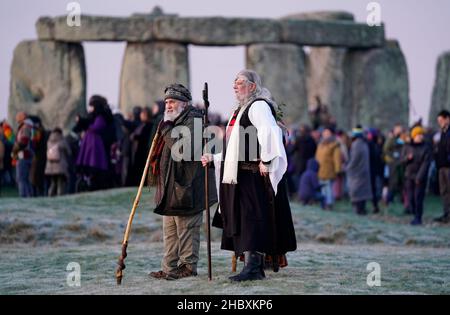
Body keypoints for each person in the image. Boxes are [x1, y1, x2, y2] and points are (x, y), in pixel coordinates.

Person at [203, 70, 297, 282]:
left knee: (252, 220)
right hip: (240, 175)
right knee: (245, 221)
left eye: (240, 83)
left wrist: (267, 160)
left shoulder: (259, 106)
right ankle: (251, 266)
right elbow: (235, 147)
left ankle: (254, 268)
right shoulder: (240, 110)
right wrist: (214, 158)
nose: (235, 87)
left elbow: (269, 132)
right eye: (234, 83)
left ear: (253, 86)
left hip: (253, 175)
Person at [149, 84, 217, 280]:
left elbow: (183, 151)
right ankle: (169, 267)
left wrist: (167, 129)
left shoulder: (195, 120)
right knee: (170, 231)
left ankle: (188, 267)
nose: (168, 105)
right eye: (167, 102)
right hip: (171, 186)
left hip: (188, 185)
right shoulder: (173, 120)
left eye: (173, 101)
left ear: (185, 103)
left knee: (187, 229)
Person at [75, 95, 112, 191]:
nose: (90, 108)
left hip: (94, 145)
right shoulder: (94, 117)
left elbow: (97, 127)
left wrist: (86, 126)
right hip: (90, 144)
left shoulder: (100, 117)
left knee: (93, 165)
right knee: (89, 166)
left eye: (91, 106)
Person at [401, 126, 432, 225]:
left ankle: (418, 218)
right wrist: (407, 158)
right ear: (413, 136)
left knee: (418, 197)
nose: (420, 136)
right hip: (409, 176)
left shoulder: (426, 147)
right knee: (410, 198)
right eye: (418, 135)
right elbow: (401, 161)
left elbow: (426, 163)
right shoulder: (407, 147)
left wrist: (419, 177)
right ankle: (414, 212)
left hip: (420, 177)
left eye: (421, 134)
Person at [346, 127, 373, 215]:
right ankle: (362, 209)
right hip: (363, 172)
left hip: (357, 173)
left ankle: (359, 210)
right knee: (362, 193)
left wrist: (348, 167)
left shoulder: (356, 145)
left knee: (356, 192)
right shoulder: (364, 144)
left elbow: (354, 159)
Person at [315, 126, 342, 210]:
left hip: (329, 170)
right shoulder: (320, 144)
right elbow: (317, 157)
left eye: (327, 133)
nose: (326, 135)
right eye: (324, 133)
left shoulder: (335, 145)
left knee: (328, 188)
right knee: (323, 188)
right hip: (320, 170)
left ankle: (329, 204)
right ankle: (324, 203)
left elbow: (337, 159)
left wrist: (338, 170)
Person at [12, 112, 34, 197]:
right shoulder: (30, 126)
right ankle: (29, 196)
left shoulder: (25, 127)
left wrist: (15, 148)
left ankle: (23, 196)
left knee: (21, 178)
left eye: (18, 116)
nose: (16, 117)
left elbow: (24, 141)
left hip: (23, 155)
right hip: (28, 155)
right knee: (26, 179)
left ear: (23, 117)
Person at [434, 110, 450, 223]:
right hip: (442, 167)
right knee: (444, 191)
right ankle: (446, 214)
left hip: (448, 167)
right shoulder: (443, 132)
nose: (440, 123)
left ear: (447, 119)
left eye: (441, 120)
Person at [45, 128, 71, 196]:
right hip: (60, 166)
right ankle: (60, 196)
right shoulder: (62, 141)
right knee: (60, 183)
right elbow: (69, 152)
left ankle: (50, 195)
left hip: (50, 166)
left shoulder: (49, 141)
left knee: (53, 183)